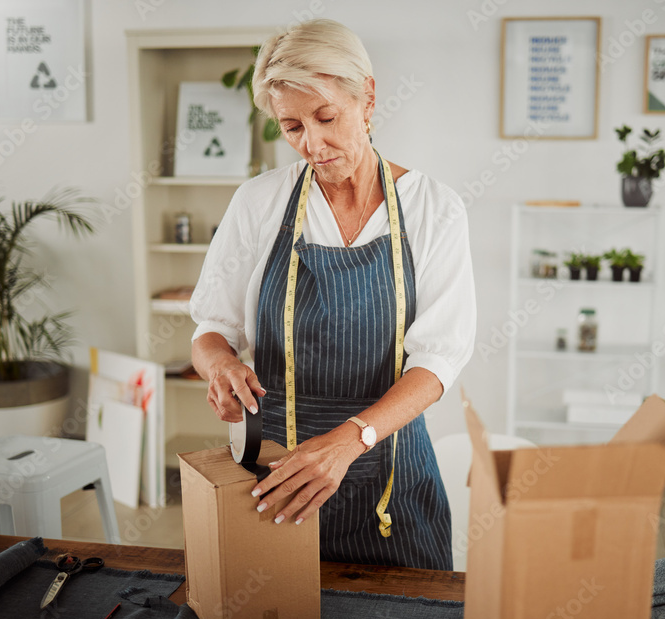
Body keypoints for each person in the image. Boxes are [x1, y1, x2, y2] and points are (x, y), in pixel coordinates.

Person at [189, 19, 475, 571]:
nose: (312, 145)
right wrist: (220, 364)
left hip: (392, 486)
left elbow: (438, 363)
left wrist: (350, 439)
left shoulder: (434, 210)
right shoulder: (258, 202)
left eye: (326, 118)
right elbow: (210, 328)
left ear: (367, 97)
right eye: (291, 126)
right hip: (276, 482)